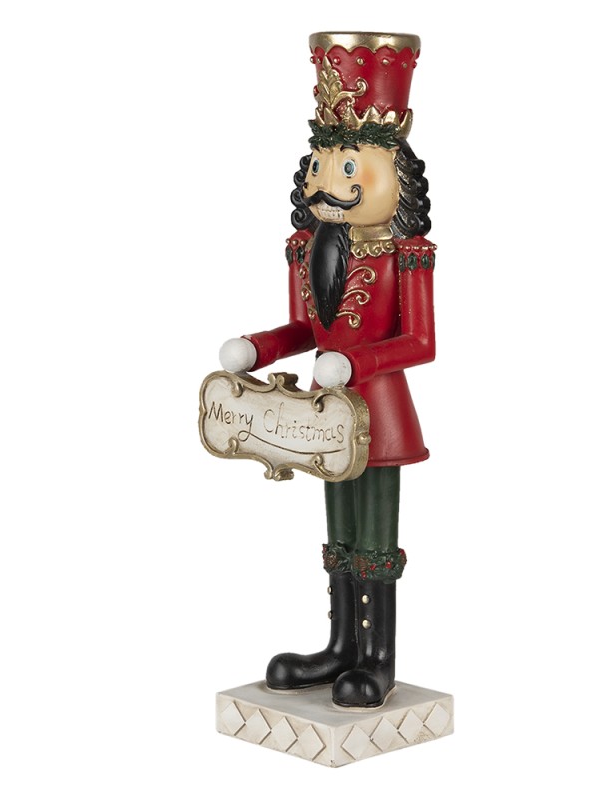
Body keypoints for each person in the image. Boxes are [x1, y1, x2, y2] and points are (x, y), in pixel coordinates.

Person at [218, 32, 435, 708]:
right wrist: (257, 349)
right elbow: (304, 330)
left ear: (396, 176)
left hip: (380, 412)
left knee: (375, 532)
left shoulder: (407, 256)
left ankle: (378, 656)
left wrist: (357, 361)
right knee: (339, 529)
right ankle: (342, 643)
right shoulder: (310, 249)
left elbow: (422, 341)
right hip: (323, 415)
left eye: (349, 168)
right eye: (321, 166)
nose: (326, 183)